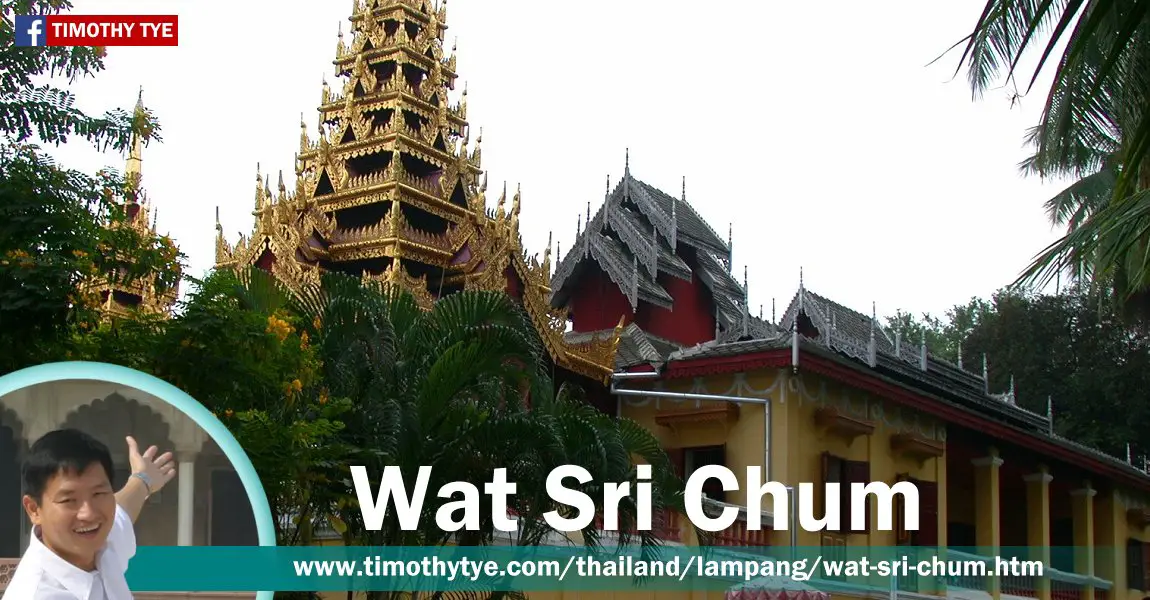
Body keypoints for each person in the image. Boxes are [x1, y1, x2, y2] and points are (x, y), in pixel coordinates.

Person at [4, 428, 177, 599]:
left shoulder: (103, 544)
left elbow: (123, 509)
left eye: (98, 494)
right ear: (34, 509)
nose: (89, 514)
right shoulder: (36, 594)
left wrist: (142, 479)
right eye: (69, 500)